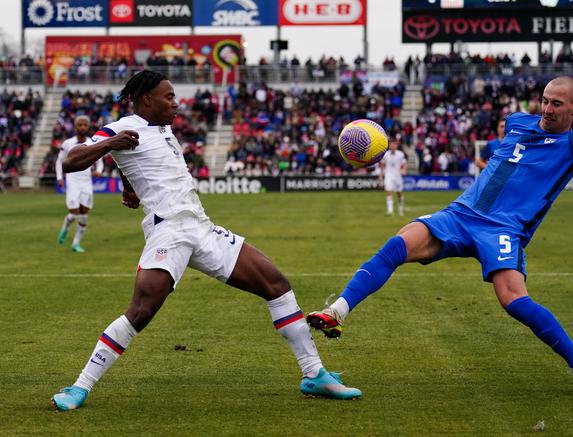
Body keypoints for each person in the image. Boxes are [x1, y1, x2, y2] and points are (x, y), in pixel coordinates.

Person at [307, 76, 573, 399]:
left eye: (556, 104)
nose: (547, 108)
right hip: (460, 214)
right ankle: (337, 311)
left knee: (512, 299)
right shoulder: (516, 123)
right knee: (397, 245)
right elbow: (505, 157)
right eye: (544, 100)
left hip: (503, 229)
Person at [51, 71, 361, 411]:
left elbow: (136, 159)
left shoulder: (165, 130)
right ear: (146, 100)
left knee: (276, 284)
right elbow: (71, 161)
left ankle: (314, 372)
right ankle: (79, 387)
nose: (175, 102)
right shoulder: (118, 128)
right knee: (141, 311)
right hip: (169, 230)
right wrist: (109, 144)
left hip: (201, 227)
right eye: (168, 96)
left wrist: (127, 184)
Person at [56, 115, 103, 253]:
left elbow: (99, 160)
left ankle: (75, 244)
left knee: (84, 214)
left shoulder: (92, 142)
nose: (82, 127)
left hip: (86, 182)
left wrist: (99, 171)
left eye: (85, 125)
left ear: (88, 127)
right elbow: (60, 161)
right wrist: (60, 177)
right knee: (74, 214)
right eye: (80, 125)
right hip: (72, 181)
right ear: (75, 127)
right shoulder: (67, 143)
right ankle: (65, 226)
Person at [380, 139, 407, 216]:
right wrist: (381, 175)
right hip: (388, 174)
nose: (392, 146)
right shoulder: (385, 154)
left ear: (396, 145)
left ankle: (400, 209)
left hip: (397, 175)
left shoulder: (401, 154)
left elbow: (404, 163)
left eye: (394, 144)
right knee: (389, 191)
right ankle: (390, 211)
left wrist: (403, 170)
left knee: (399, 193)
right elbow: (382, 164)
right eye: (391, 144)